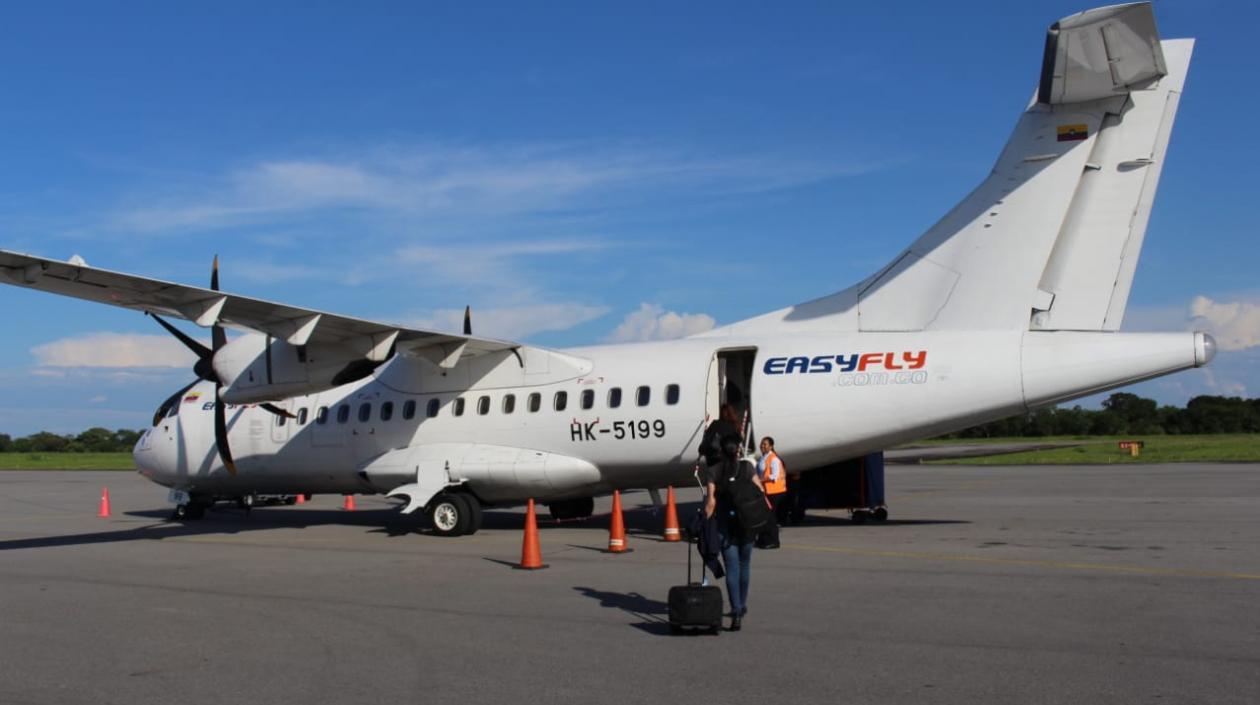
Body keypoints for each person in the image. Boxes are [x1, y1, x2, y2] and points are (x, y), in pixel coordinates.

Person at [703, 433, 763, 631]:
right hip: (746, 525)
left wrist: (703, 523)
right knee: (745, 565)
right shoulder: (747, 467)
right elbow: (760, 491)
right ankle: (742, 605)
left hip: (725, 526)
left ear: (720, 450)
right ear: (738, 449)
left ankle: (735, 609)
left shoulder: (714, 470)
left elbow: (710, 503)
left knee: (731, 568)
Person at [755, 436, 786, 549]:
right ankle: (763, 539)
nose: (762, 446)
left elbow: (774, 476)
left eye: (765, 444)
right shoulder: (764, 458)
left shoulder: (774, 459)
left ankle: (773, 541)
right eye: (762, 444)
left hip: (774, 492)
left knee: (770, 516)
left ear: (771, 446)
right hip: (766, 491)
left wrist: (760, 480)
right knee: (764, 516)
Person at [699, 404, 741, 468]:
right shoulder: (735, 426)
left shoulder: (715, 424)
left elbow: (707, 440)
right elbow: (739, 440)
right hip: (729, 462)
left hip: (714, 461)